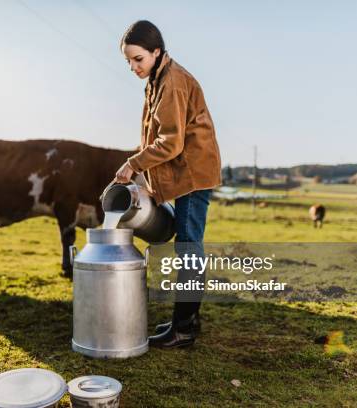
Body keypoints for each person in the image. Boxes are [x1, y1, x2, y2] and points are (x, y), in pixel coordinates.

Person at [114, 20, 222, 348]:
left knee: (189, 246)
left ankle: (184, 329)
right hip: (184, 170)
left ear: (156, 52)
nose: (133, 67)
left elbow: (171, 142)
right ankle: (189, 319)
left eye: (138, 59)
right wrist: (149, 179)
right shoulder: (157, 79)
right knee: (187, 243)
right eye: (129, 61)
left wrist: (133, 164)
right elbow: (155, 136)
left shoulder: (172, 82)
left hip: (193, 173)